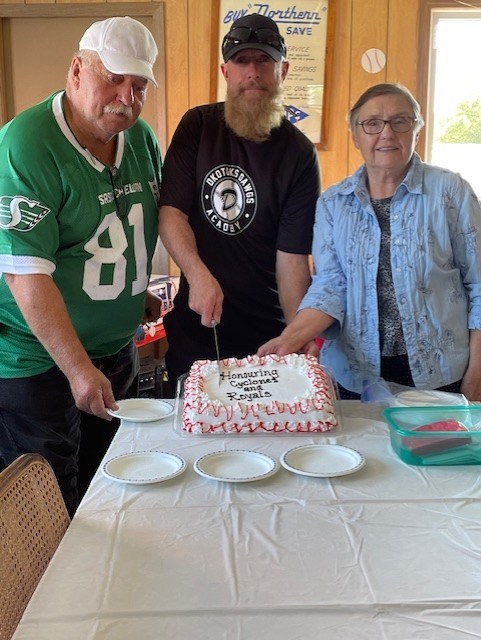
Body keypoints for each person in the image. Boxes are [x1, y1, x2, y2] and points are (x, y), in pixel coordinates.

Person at [0, 16, 162, 515]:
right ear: (76, 70)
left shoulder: (141, 140)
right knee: (49, 499)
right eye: (112, 78)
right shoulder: (27, 143)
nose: (126, 97)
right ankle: (49, 595)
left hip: (116, 350)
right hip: (40, 361)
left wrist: (132, 293)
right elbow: (24, 271)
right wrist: (77, 367)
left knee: (114, 478)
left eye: (138, 85)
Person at [259, 83, 481, 401]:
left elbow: (479, 286)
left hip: (439, 375)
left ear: (417, 128)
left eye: (400, 121)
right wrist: (289, 339)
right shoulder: (333, 202)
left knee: (431, 451)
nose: (386, 133)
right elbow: (330, 287)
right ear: (355, 134)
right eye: (372, 123)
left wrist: (476, 377)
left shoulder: (450, 192)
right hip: (354, 376)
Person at [158, 13, 321, 386]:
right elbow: (171, 215)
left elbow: (292, 261)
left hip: (268, 337)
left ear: (283, 70)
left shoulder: (299, 153)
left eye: (264, 60)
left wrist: (298, 335)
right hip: (197, 330)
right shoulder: (197, 126)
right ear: (226, 70)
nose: (253, 72)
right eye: (242, 61)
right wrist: (198, 275)